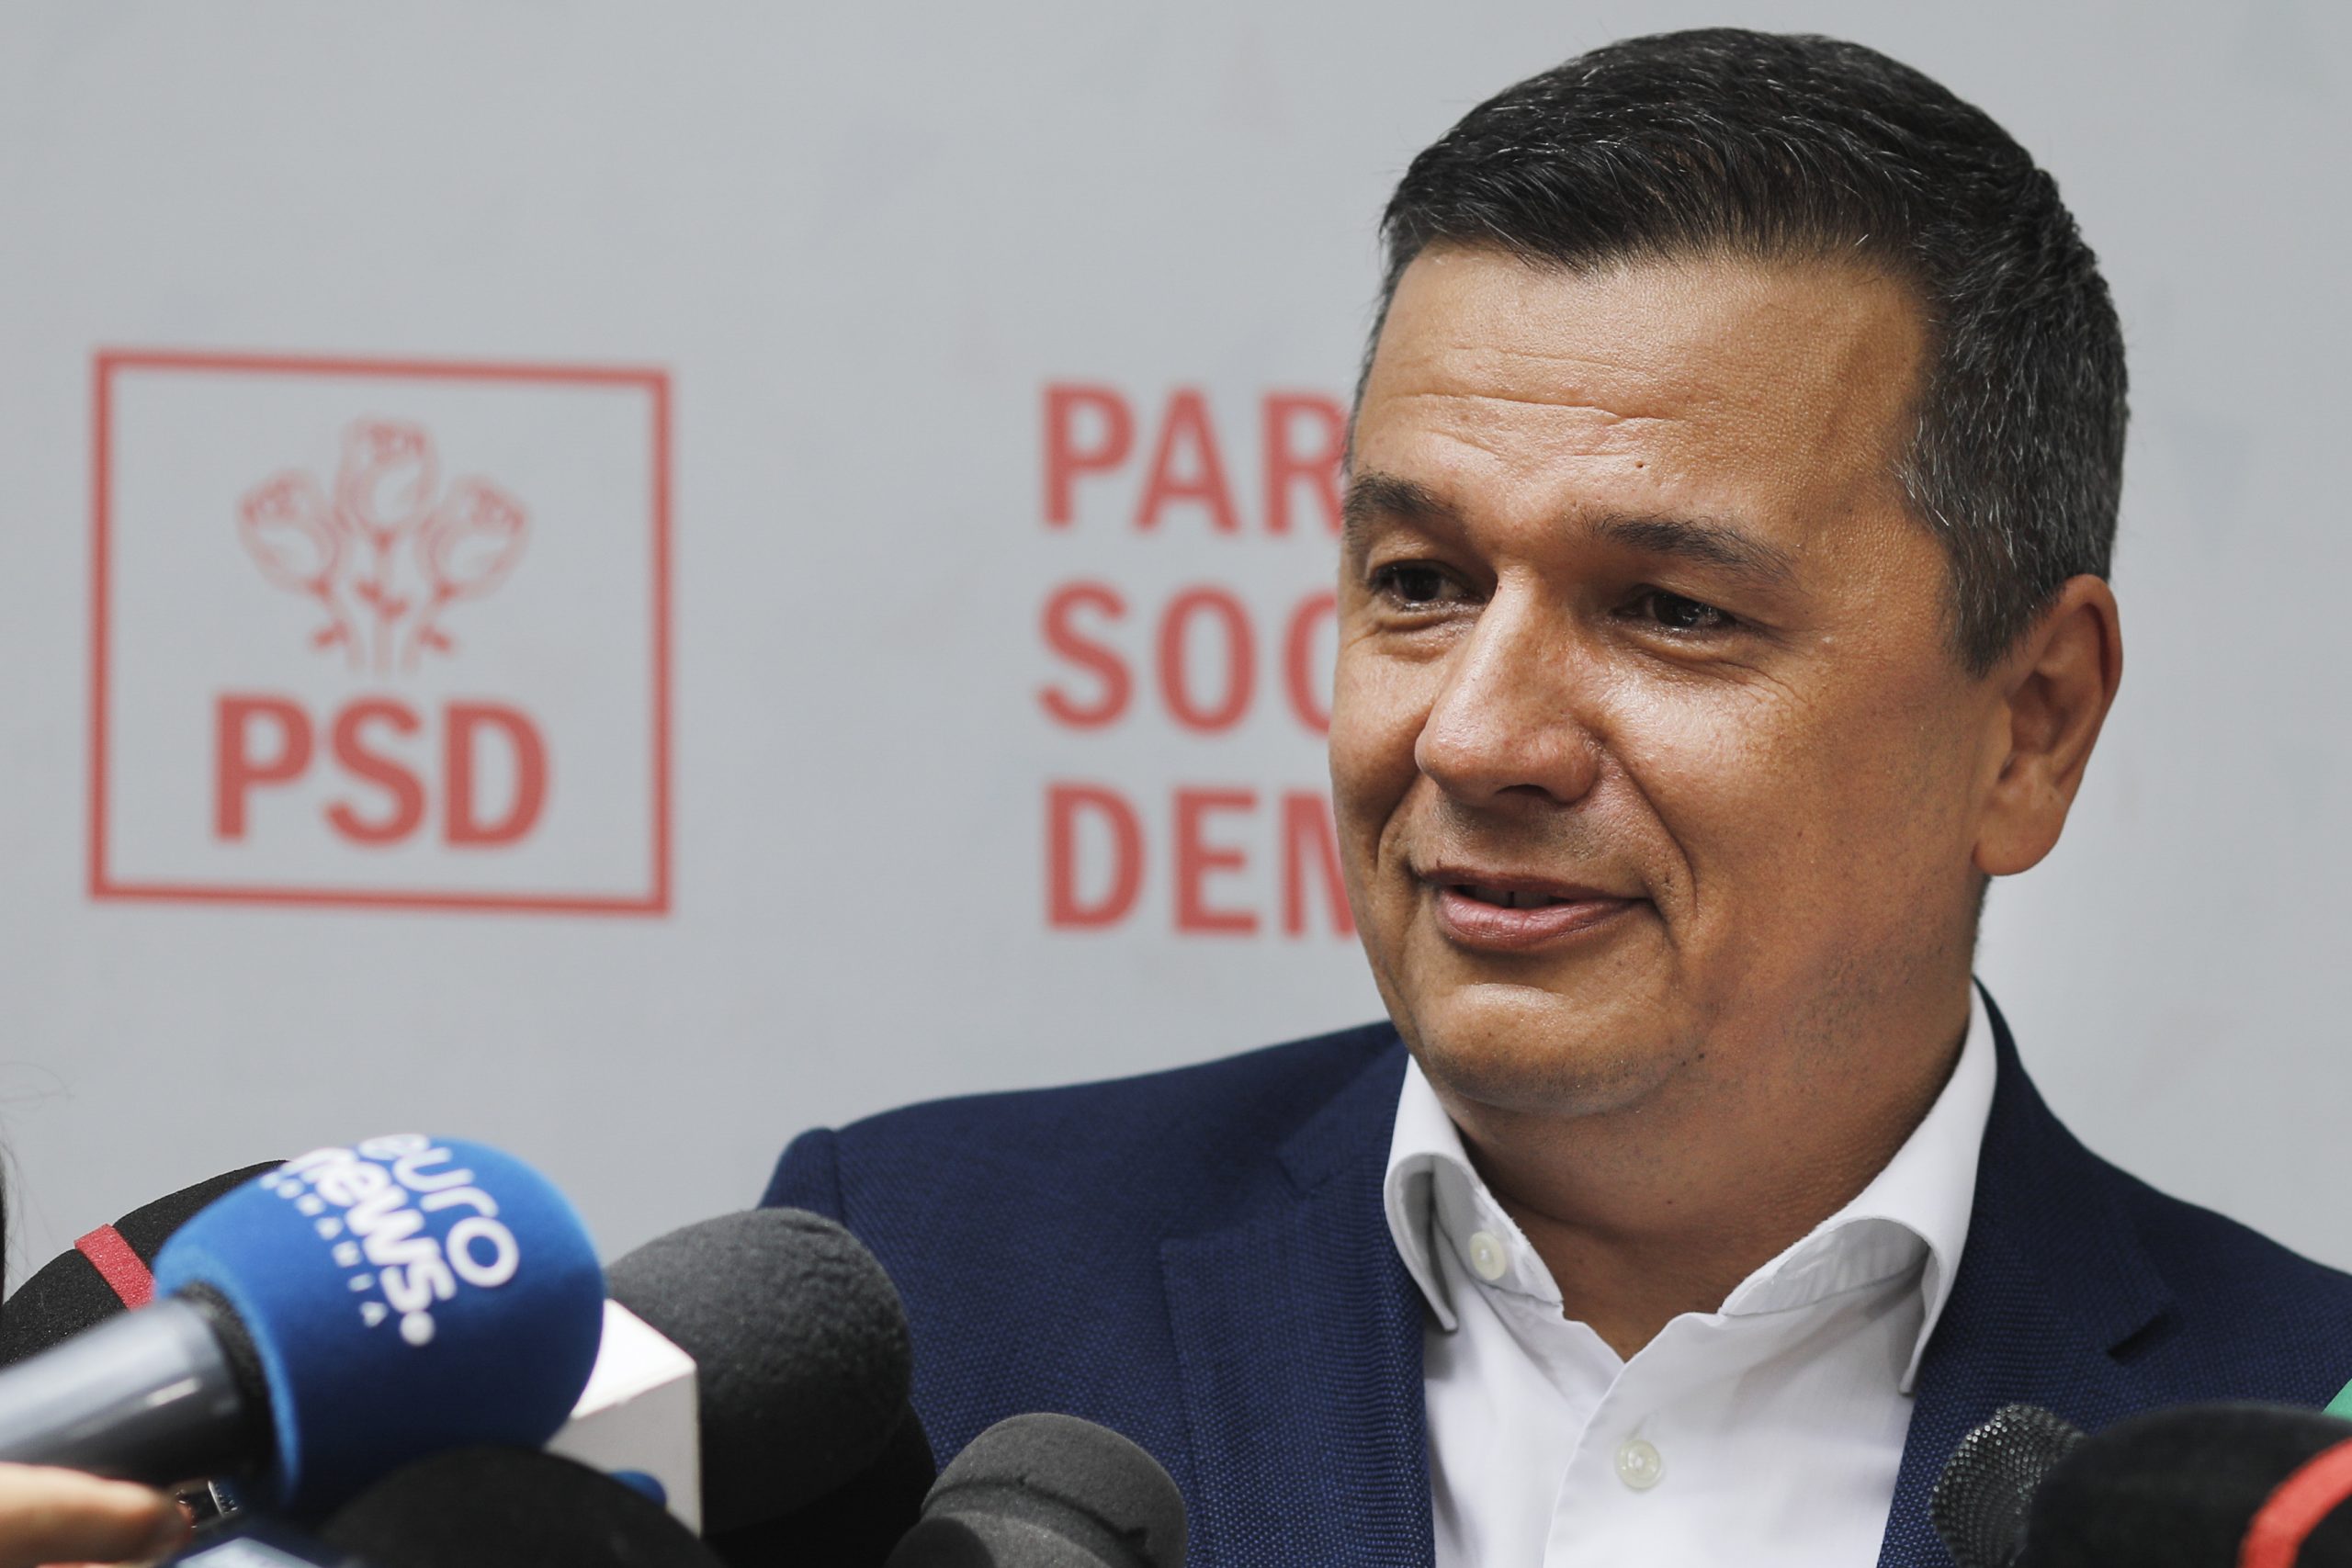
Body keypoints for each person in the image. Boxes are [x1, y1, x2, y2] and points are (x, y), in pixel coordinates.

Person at [765, 28, 2352, 1566]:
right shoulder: (918, 1299)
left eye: (1670, 609)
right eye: (1421, 581)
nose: (1474, 738)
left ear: (2032, 727)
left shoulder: (2307, 1462)